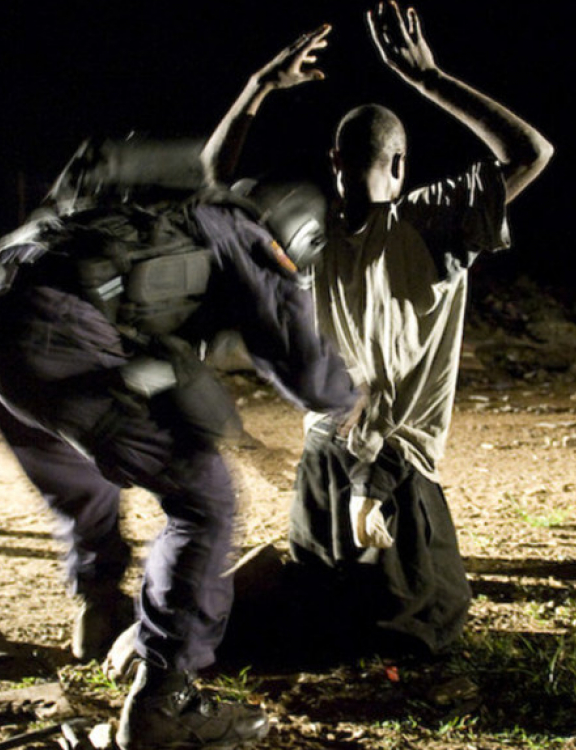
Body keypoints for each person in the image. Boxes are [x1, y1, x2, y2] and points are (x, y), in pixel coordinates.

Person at [0, 137, 358, 749]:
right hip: (49, 328)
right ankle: (165, 701)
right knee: (204, 499)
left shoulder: (162, 213)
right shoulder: (241, 233)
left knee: (80, 475)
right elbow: (301, 365)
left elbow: (166, 359)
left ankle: (98, 608)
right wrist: (347, 398)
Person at [206, 2, 554, 657]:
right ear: (401, 166)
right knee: (421, 624)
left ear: (332, 158)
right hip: (397, 472)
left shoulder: (302, 232)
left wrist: (258, 86)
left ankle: (196, 621)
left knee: (318, 615)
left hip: (321, 470)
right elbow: (532, 152)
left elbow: (205, 186)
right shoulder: (434, 221)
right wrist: (430, 78)